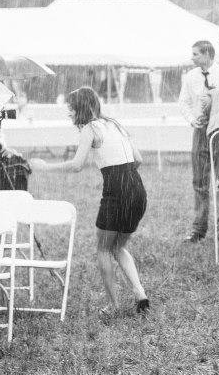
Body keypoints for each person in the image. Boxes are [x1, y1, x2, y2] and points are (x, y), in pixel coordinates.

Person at [30, 87, 150, 316]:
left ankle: (113, 306)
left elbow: (76, 165)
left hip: (116, 191)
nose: (70, 115)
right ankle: (140, 293)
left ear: (79, 109)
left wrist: (46, 167)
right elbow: (139, 159)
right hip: (137, 189)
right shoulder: (115, 124)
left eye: (71, 110)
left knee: (104, 249)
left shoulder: (89, 129)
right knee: (119, 246)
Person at [178, 41, 219, 243]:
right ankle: (198, 229)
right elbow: (182, 102)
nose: (192, 57)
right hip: (200, 132)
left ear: (207, 53)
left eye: (195, 54)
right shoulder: (190, 76)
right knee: (199, 181)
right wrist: (194, 119)